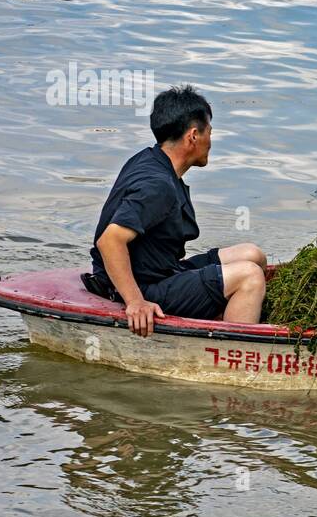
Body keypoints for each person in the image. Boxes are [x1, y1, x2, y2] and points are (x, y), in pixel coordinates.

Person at [85, 85, 267, 337]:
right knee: (250, 276)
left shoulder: (151, 160)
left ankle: (228, 314)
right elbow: (109, 241)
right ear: (193, 136)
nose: (210, 142)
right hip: (141, 287)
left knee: (252, 254)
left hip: (162, 272)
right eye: (209, 133)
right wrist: (136, 302)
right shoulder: (157, 185)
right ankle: (229, 354)